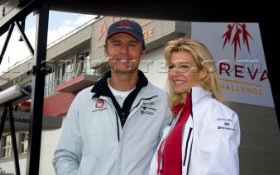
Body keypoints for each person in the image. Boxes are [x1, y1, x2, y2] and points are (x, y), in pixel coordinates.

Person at [52, 19, 172, 175]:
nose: (124, 51)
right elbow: (65, 156)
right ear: (105, 51)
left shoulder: (162, 102)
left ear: (142, 52)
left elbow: (168, 158)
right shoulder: (84, 100)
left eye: (132, 44)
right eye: (116, 44)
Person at [149, 38, 241, 175]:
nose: (175, 73)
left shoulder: (214, 113)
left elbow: (220, 170)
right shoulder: (178, 117)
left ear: (203, 72)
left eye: (184, 66)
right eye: (171, 66)